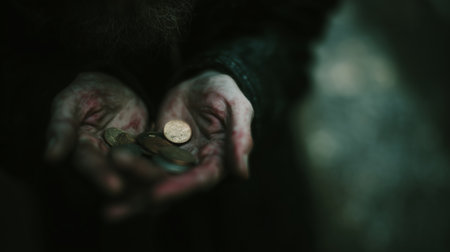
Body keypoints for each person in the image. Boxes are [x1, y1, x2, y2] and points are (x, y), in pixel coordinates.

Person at [1, 0, 337, 251]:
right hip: (88, 212)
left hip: (259, 200)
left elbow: (292, 18)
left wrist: (244, 74)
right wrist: (45, 98)